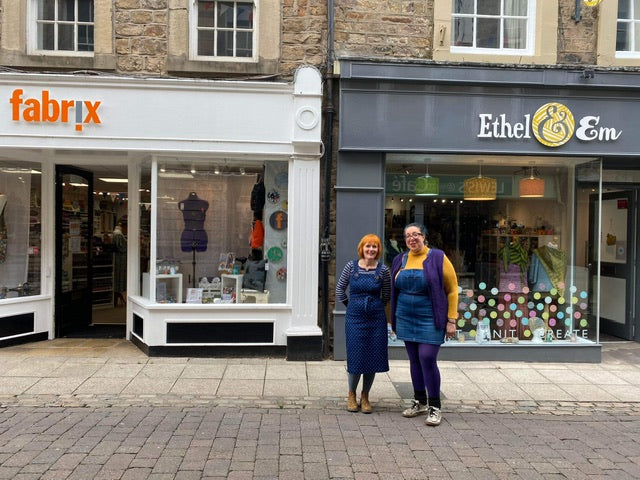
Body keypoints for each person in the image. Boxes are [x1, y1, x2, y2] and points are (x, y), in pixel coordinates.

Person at [390, 223, 458, 426]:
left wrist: (451, 319)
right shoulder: (399, 259)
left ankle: (435, 406)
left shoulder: (437, 257)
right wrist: (392, 318)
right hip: (405, 316)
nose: (412, 239)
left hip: (430, 316)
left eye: (416, 234)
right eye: (408, 236)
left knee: (427, 357)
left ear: (424, 237)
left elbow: (453, 289)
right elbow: (395, 290)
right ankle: (419, 401)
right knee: (413, 360)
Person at [335, 233, 391, 413]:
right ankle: (351, 393)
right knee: (356, 355)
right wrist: (352, 305)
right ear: (362, 248)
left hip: (376, 319)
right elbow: (339, 290)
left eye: (374, 247)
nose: (371, 250)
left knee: (373, 356)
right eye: (368, 246)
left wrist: (374, 306)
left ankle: (365, 395)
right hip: (354, 318)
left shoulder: (383, 270)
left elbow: (387, 295)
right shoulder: (350, 267)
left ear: (378, 250)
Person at [112, 221, 127, 307]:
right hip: (120, 259)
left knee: (119, 275)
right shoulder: (118, 234)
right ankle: (118, 292)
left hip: (120, 258)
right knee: (119, 275)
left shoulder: (116, 233)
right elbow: (119, 247)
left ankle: (118, 293)